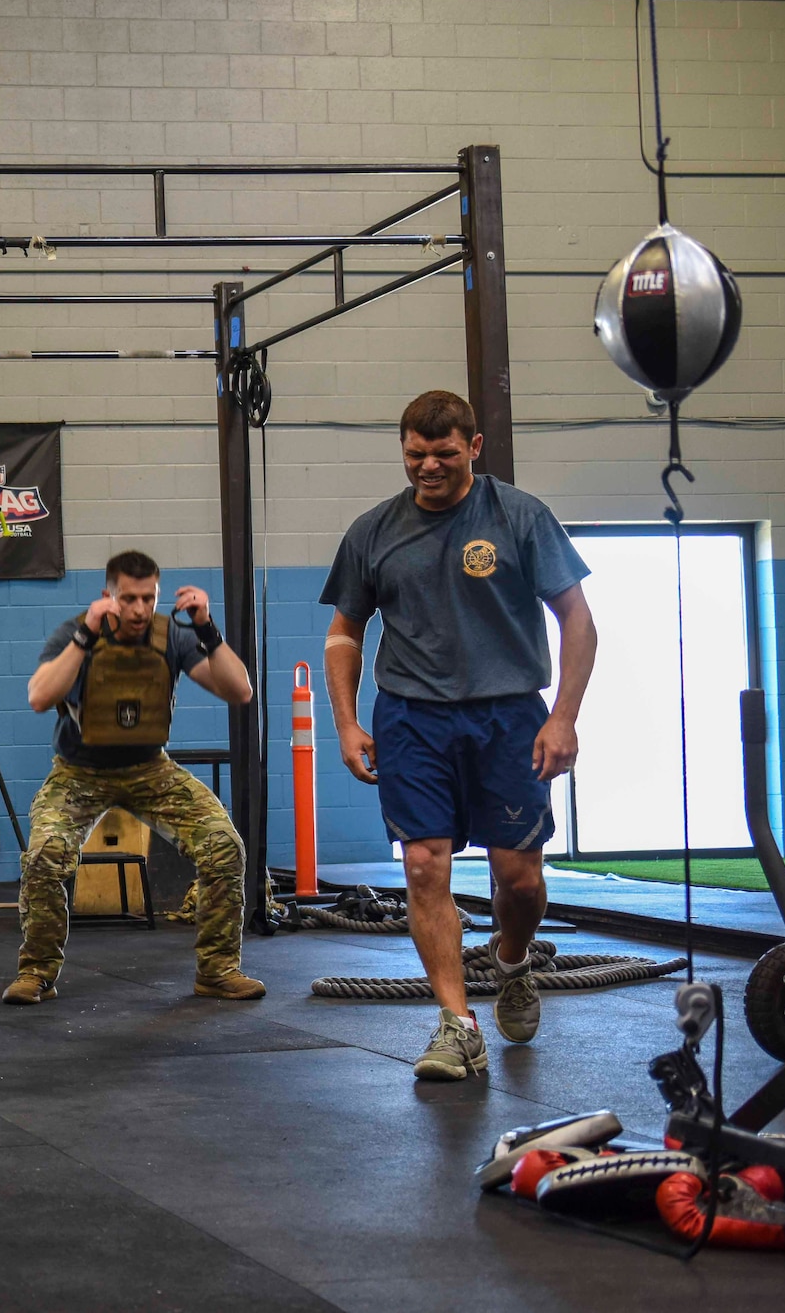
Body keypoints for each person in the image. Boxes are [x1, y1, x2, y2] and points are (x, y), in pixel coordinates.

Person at [321, 389, 597, 1081]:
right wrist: (348, 721)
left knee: (520, 879)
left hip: (509, 716)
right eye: (415, 455)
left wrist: (563, 715)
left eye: (443, 454)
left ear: (473, 448)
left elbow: (578, 620)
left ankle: (510, 959)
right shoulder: (373, 531)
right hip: (412, 718)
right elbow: (343, 635)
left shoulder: (520, 516)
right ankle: (456, 1023)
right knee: (423, 867)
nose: (428, 467)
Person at [5, 549, 263, 1006]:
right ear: (109, 597)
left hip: (150, 769)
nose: (140, 610)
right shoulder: (76, 633)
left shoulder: (173, 638)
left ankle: (218, 971)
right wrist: (86, 634)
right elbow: (39, 697)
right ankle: (37, 972)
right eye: (129, 599)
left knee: (224, 845)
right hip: (79, 772)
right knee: (45, 854)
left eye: (149, 598)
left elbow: (239, 689)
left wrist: (207, 628)